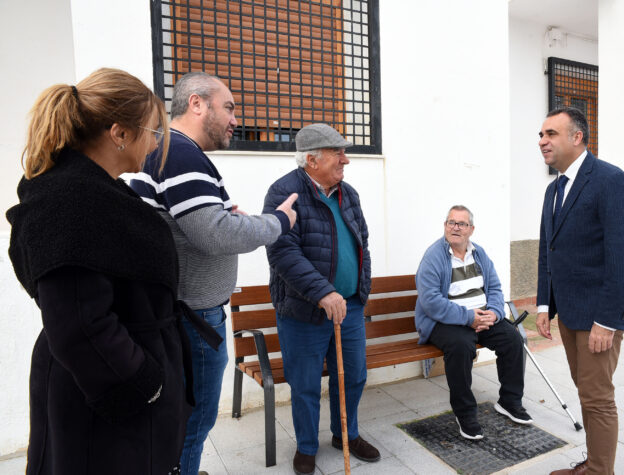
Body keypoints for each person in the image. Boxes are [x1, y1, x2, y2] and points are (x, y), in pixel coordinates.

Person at [5, 68, 222, 474]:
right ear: (120, 133)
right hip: (105, 398)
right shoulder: (69, 200)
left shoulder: (99, 191)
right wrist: (147, 386)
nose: (158, 142)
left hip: (118, 388)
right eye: (153, 131)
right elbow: (78, 325)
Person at [129, 71, 297, 475]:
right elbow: (213, 235)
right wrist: (278, 221)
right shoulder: (182, 153)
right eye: (229, 107)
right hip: (194, 318)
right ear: (197, 104)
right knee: (196, 419)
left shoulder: (173, 152)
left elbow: (197, 224)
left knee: (186, 419)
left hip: (184, 314)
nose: (235, 119)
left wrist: (224, 217)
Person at [262, 123, 379, 475]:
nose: (346, 159)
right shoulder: (284, 192)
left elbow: (363, 243)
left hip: (350, 307)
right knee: (306, 383)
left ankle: (346, 434)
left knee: (354, 375)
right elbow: (282, 252)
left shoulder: (349, 193)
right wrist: (323, 292)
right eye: (337, 153)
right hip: (303, 311)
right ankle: (307, 446)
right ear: (312, 159)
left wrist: (360, 289)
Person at [536, 107, 624, 475]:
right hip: (569, 311)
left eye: (551, 134)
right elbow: (547, 249)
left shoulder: (611, 181)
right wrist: (544, 303)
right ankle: (594, 462)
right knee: (586, 391)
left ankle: (600, 471)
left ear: (577, 137)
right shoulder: (555, 189)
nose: (542, 141)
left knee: (597, 397)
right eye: (541, 135)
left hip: (599, 315)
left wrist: (608, 321)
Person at [415, 205, 532, 440]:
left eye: (461, 224)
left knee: (512, 338)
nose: (455, 228)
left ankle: (509, 401)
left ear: (471, 229)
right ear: (445, 226)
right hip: (444, 321)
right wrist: (468, 318)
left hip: (481, 316)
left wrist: (496, 313)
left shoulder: (479, 254)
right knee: (461, 346)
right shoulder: (434, 256)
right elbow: (430, 302)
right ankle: (465, 413)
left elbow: (495, 289)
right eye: (451, 222)